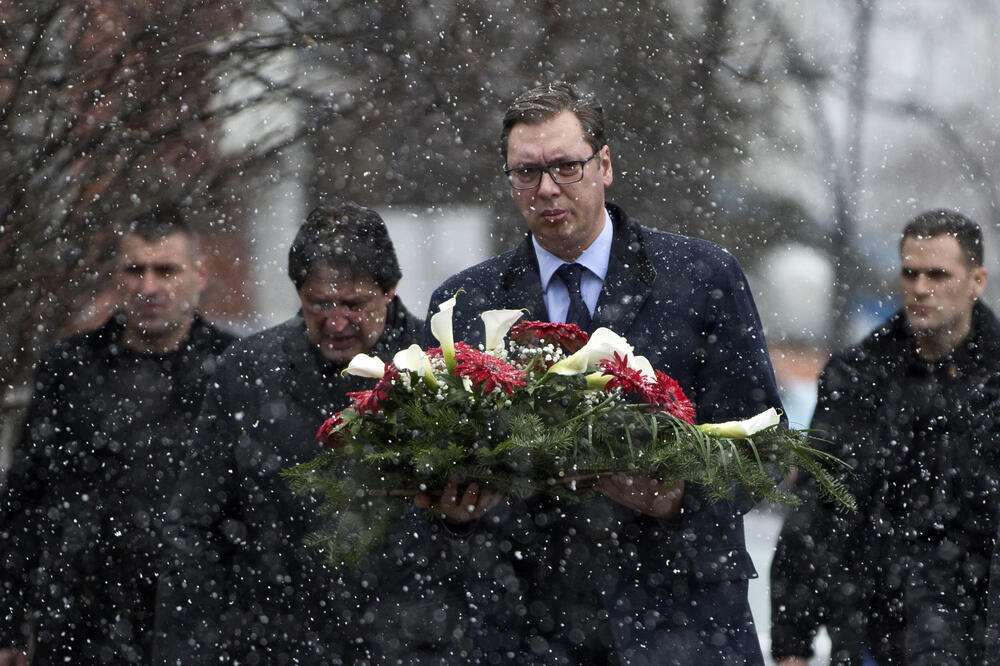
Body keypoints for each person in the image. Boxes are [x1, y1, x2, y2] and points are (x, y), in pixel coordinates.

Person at [421, 81, 783, 665]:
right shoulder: (464, 303)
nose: (546, 189)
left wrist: (680, 499)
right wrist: (452, 510)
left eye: (566, 167)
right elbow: (429, 467)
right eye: (525, 173)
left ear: (605, 164)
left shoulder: (700, 278)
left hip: (681, 616)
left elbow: (765, 442)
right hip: (526, 624)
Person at [152, 201, 435, 665]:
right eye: (319, 303)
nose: (336, 321)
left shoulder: (438, 373)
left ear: (390, 291)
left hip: (412, 642)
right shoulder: (246, 374)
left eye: (354, 304)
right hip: (278, 640)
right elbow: (194, 527)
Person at [0, 207, 234, 665]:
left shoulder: (233, 372)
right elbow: (24, 500)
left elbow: (257, 507)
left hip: (194, 624)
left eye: (165, 270)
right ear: (117, 275)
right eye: (135, 270)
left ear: (199, 275)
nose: (148, 288)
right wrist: (8, 620)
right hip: (78, 624)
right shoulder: (68, 368)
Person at [769, 209, 1000, 666]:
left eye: (938, 274)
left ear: (976, 281)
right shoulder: (857, 378)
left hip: (978, 632)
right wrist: (791, 642)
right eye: (910, 273)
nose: (920, 288)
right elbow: (816, 512)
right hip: (872, 630)